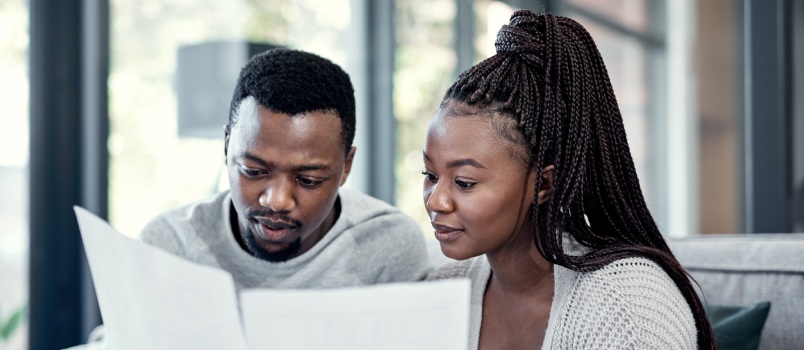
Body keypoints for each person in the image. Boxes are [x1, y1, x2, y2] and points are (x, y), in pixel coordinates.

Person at [425, 10, 715, 349]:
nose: (435, 200)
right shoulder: (446, 288)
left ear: (544, 184)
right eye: (430, 175)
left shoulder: (629, 308)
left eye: (464, 182)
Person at [137, 48, 428, 289]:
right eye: (253, 171)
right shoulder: (171, 245)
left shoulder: (388, 246)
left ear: (346, 167)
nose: (276, 200)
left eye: (308, 179)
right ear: (227, 147)